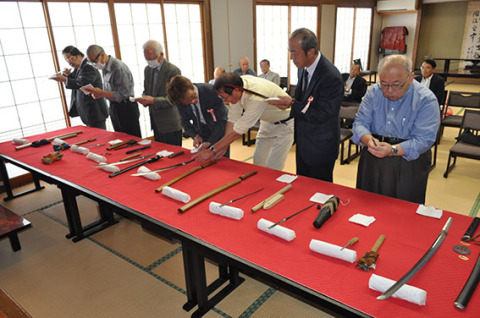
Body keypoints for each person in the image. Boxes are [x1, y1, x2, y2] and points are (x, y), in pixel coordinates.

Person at [352, 55, 440, 204]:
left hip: (407, 160)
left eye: (396, 84)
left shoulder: (426, 99)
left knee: (402, 209)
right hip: (373, 153)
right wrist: (368, 140)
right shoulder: (373, 92)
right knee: (366, 203)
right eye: (384, 84)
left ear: (411, 77)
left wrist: (392, 150)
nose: (389, 90)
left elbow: (424, 139)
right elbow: (360, 122)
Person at [268, 28, 343, 182]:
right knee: (303, 189)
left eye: (295, 52)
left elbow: (322, 114)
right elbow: (301, 101)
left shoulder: (330, 77)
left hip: (321, 146)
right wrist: (289, 104)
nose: (291, 57)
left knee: (319, 192)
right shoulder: (303, 69)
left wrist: (292, 104)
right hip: (304, 141)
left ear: (311, 52)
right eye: (290, 52)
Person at [194, 73, 294, 171]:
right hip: (266, 123)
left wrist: (212, 150)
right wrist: (224, 146)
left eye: (224, 97)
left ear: (235, 91)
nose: (225, 101)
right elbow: (232, 119)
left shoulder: (255, 97)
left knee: (273, 167)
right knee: (258, 163)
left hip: (284, 126)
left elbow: (239, 130)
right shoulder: (238, 87)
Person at [85, 44, 141, 137]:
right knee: (120, 138)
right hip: (114, 106)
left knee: (133, 140)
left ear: (102, 55)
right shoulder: (104, 67)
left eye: (94, 61)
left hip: (126, 107)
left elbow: (124, 93)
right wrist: (100, 93)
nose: (94, 65)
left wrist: (102, 93)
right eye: (91, 63)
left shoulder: (118, 67)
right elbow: (110, 90)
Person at [167, 75, 229, 157]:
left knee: (222, 161)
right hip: (202, 130)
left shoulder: (211, 92)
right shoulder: (179, 99)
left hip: (219, 130)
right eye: (188, 102)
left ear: (191, 86)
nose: (193, 101)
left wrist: (211, 141)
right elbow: (184, 121)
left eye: (193, 96)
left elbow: (222, 120)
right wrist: (195, 135)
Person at [135, 40, 182, 145]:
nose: (149, 62)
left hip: (170, 123)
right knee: (161, 155)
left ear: (161, 55)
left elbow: (174, 98)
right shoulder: (148, 70)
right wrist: (144, 98)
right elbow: (147, 90)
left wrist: (152, 100)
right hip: (155, 121)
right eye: (146, 59)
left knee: (173, 156)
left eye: (151, 59)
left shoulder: (173, 70)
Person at [51, 46, 108, 129]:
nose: (69, 62)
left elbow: (81, 83)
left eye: (70, 58)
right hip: (89, 112)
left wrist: (64, 79)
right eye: (66, 60)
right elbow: (75, 80)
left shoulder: (88, 66)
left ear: (79, 55)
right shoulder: (79, 68)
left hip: (95, 111)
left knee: (100, 138)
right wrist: (68, 76)